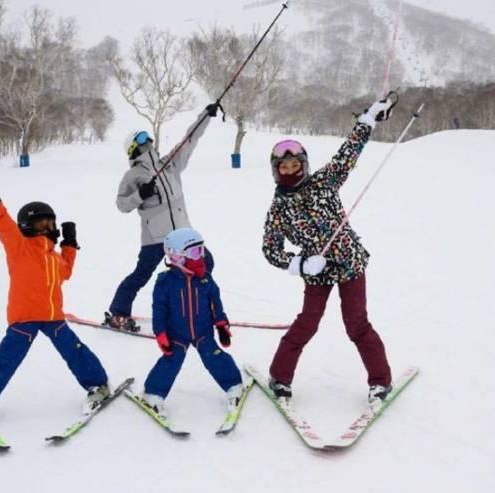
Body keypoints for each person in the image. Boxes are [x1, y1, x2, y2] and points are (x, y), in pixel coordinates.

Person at [261, 97, 396, 403]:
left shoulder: (323, 182)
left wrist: (367, 120)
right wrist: (298, 263)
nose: (290, 169)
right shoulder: (278, 208)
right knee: (307, 323)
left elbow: (347, 155)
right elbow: (269, 248)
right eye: (284, 165)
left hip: (349, 263)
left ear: (304, 165)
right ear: (276, 169)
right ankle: (280, 377)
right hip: (317, 272)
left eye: (295, 164)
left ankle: (380, 382)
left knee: (357, 324)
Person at [0, 173, 110, 423]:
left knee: (75, 351)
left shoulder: (53, 258)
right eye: (40, 225)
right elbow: (1, 221)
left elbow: (66, 271)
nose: (47, 229)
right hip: (25, 318)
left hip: (53, 317)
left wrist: (70, 244)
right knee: (7, 358)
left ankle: (98, 385)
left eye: (50, 224)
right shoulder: (19, 247)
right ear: (26, 227)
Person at [104, 104, 221, 331]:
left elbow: (189, 140)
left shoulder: (170, 165)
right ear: (133, 149)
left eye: (148, 138)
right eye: (142, 140)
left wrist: (205, 115)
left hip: (184, 236)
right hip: (155, 238)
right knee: (141, 275)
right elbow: (121, 204)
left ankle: (192, 308)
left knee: (206, 264)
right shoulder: (133, 175)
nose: (148, 142)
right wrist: (140, 194)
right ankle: (118, 313)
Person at [139, 227, 243, 417]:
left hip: (203, 331)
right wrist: (160, 332)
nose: (201, 257)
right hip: (177, 334)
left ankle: (233, 384)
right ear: (177, 257)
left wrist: (221, 324)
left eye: (202, 250)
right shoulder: (165, 282)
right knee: (171, 362)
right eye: (195, 252)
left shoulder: (205, 279)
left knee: (215, 356)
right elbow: (159, 309)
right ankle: (152, 394)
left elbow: (215, 303)